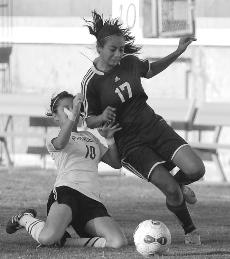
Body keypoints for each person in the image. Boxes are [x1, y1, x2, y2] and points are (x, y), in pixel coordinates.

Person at [81, 11, 205, 245]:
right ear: (99, 48)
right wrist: (101, 118)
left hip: (153, 126)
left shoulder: (129, 62)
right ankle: (189, 230)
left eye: (121, 48)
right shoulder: (91, 81)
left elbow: (150, 70)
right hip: (130, 143)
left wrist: (178, 51)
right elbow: (89, 120)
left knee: (196, 169)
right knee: (171, 190)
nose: (119, 54)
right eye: (113, 49)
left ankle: (179, 184)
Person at [6, 91, 127, 249]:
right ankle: (25, 218)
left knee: (118, 242)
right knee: (47, 238)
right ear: (55, 116)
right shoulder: (55, 138)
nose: (73, 110)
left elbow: (116, 163)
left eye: (75, 106)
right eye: (66, 108)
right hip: (67, 192)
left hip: (91, 200)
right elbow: (62, 143)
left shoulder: (90, 137)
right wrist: (73, 115)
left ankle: (65, 241)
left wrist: (110, 139)